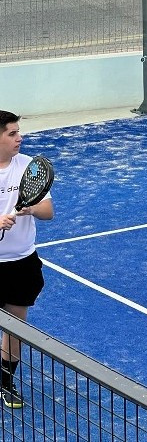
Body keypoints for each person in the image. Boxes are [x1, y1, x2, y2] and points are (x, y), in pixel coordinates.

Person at [0, 111, 54, 410]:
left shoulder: (28, 167)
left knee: (15, 327)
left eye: (18, 132)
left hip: (21, 262)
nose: (19, 138)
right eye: (12, 133)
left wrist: (30, 209)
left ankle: (5, 382)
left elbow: (48, 211)